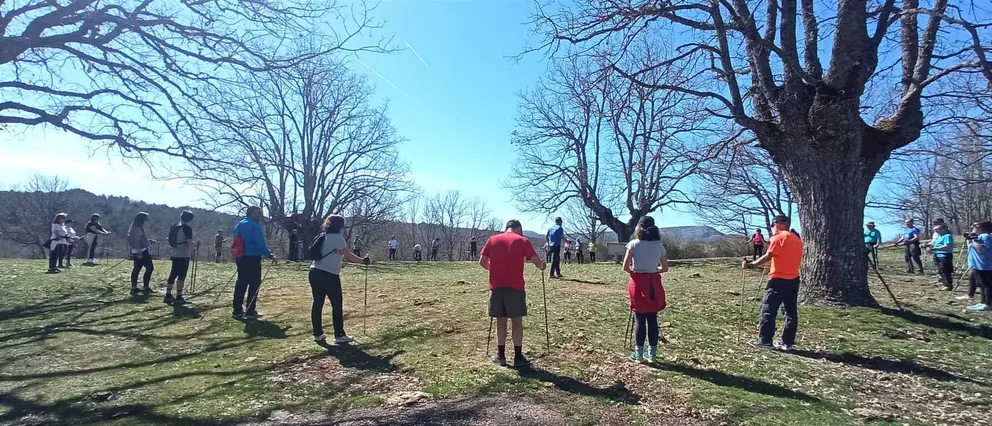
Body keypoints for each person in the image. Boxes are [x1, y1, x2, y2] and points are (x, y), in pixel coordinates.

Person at [479, 219, 546, 367]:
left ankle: (501, 356)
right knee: (517, 323)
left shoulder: (492, 239)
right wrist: (542, 266)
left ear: (506, 228)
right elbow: (536, 261)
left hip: (496, 287)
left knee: (500, 322)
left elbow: (482, 262)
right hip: (515, 287)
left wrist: (495, 270)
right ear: (519, 228)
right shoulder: (523, 241)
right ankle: (517, 357)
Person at [743, 214, 804, 351]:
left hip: (778, 279)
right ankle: (787, 342)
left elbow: (767, 257)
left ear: (779, 223)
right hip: (794, 279)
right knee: (790, 312)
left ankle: (765, 340)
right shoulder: (798, 240)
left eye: (774, 225)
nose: (774, 228)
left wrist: (751, 265)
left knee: (768, 310)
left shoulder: (778, 238)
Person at [309, 214, 371, 345]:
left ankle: (318, 334)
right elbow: (349, 256)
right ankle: (339, 335)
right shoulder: (337, 238)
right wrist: (363, 261)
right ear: (340, 226)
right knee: (336, 305)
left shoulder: (322, 236)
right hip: (329, 275)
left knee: (317, 303)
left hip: (314, 272)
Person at [622, 216, 668, 363]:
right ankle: (652, 354)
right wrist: (654, 269)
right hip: (653, 282)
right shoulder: (659, 246)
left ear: (639, 228)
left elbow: (625, 267)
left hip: (637, 282)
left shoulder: (633, 244)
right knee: (652, 319)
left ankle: (639, 353)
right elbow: (665, 268)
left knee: (640, 319)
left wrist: (636, 270)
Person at [232, 206, 273, 319]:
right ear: (250, 213)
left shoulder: (239, 225)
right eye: (257, 213)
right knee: (254, 284)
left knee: (241, 283)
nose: (259, 215)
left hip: (240, 257)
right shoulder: (254, 225)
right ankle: (250, 310)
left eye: (260, 213)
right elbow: (260, 242)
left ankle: (237, 309)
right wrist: (268, 254)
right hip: (252, 257)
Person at [165, 211, 197, 305]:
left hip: (174, 253)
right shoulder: (187, 228)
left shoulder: (175, 226)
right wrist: (195, 245)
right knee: (181, 276)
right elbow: (190, 244)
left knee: (173, 274)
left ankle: (168, 294)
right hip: (183, 255)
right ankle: (179, 296)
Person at [965, 221, 992, 312]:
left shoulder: (986, 236)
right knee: (980, 285)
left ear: (982, 228)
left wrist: (974, 240)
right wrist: (970, 239)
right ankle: (982, 302)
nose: (973, 228)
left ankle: (988, 304)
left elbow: (982, 249)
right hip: (976, 265)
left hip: (985, 266)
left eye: (975, 227)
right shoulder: (978, 237)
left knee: (986, 285)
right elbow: (970, 248)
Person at [127, 212, 155, 295]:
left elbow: (140, 239)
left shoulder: (137, 227)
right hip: (141, 251)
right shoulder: (136, 228)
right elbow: (136, 241)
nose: (146, 221)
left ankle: (135, 287)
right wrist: (139, 253)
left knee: (137, 269)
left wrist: (148, 241)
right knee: (149, 268)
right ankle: (143, 287)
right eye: (145, 219)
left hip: (140, 250)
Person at [931, 224, 954, 291]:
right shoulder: (939, 236)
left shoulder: (947, 236)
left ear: (943, 229)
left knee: (945, 271)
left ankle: (948, 285)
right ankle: (944, 283)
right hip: (937, 255)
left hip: (945, 255)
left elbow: (947, 246)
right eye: (934, 230)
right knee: (941, 270)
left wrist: (935, 248)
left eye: (937, 229)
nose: (936, 231)